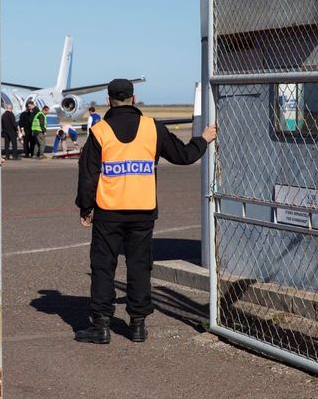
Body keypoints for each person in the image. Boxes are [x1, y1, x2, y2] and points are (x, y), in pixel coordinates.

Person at [74, 79, 217, 344]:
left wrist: (86, 207)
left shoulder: (100, 131)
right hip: (142, 209)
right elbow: (183, 155)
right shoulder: (153, 128)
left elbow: (88, 175)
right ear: (134, 97)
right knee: (140, 266)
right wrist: (203, 139)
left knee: (103, 267)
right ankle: (138, 324)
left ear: (108, 100)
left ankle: (102, 325)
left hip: (109, 210)